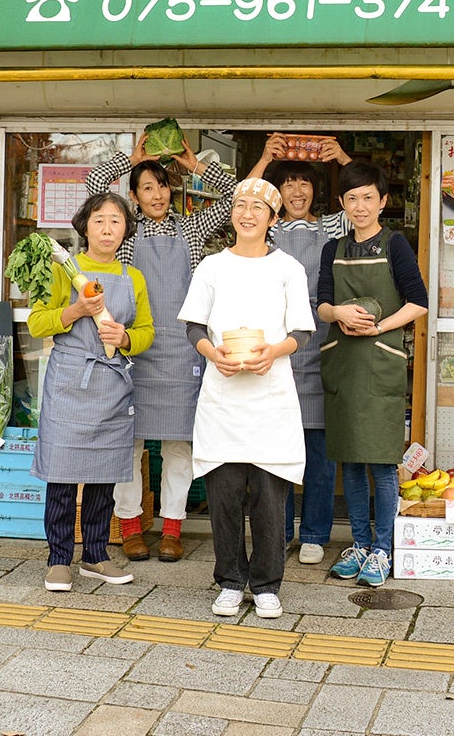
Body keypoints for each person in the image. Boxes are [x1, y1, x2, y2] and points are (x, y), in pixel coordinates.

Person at [86, 127, 237, 563]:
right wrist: (129, 160)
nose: (157, 195)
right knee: (128, 445)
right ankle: (131, 528)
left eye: (162, 186)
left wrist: (195, 166)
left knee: (179, 447)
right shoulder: (124, 233)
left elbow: (233, 199)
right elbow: (95, 189)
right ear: (133, 194)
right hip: (132, 347)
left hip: (180, 351)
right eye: (146, 187)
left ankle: (173, 528)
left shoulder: (191, 230)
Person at [177, 177, 314, 619]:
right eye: (240, 205)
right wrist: (212, 353)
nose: (247, 213)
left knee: (270, 496)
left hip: (271, 397)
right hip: (223, 397)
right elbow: (194, 326)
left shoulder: (288, 268)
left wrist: (273, 352)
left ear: (273, 219)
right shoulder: (212, 267)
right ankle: (231, 580)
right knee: (225, 494)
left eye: (258, 207)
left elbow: (302, 332)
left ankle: (268, 582)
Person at [28, 192, 154, 592]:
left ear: (125, 231)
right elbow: (36, 323)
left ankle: (96, 556)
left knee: (104, 476)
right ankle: (59, 559)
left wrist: (127, 337)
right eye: (99, 220)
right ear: (84, 226)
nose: (106, 228)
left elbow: (149, 332)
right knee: (62, 475)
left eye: (115, 221)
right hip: (70, 379)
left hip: (112, 383)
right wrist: (76, 312)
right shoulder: (63, 270)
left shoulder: (133, 278)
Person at [317, 161, 428, 588]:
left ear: (383, 201)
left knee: (381, 463)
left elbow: (417, 301)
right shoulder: (333, 249)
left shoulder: (396, 245)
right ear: (342, 204)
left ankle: (384, 549)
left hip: (379, 361)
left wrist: (378, 328)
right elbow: (322, 304)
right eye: (351, 198)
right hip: (343, 360)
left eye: (368, 197)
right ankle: (359, 544)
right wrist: (338, 312)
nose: (359, 206)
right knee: (349, 462)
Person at [247, 132, 352, 564]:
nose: (296, 190)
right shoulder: (265, 227)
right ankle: (280, 530)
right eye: (287, 183)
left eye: (303, 183)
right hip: (276, 342)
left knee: (320, 453)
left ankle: (314, 534)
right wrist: (263, 159)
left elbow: (358, 198)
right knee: (276, 450)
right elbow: (245, 198)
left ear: (315, 190)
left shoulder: (329, 225)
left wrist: (342, 157)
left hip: (320, 339)